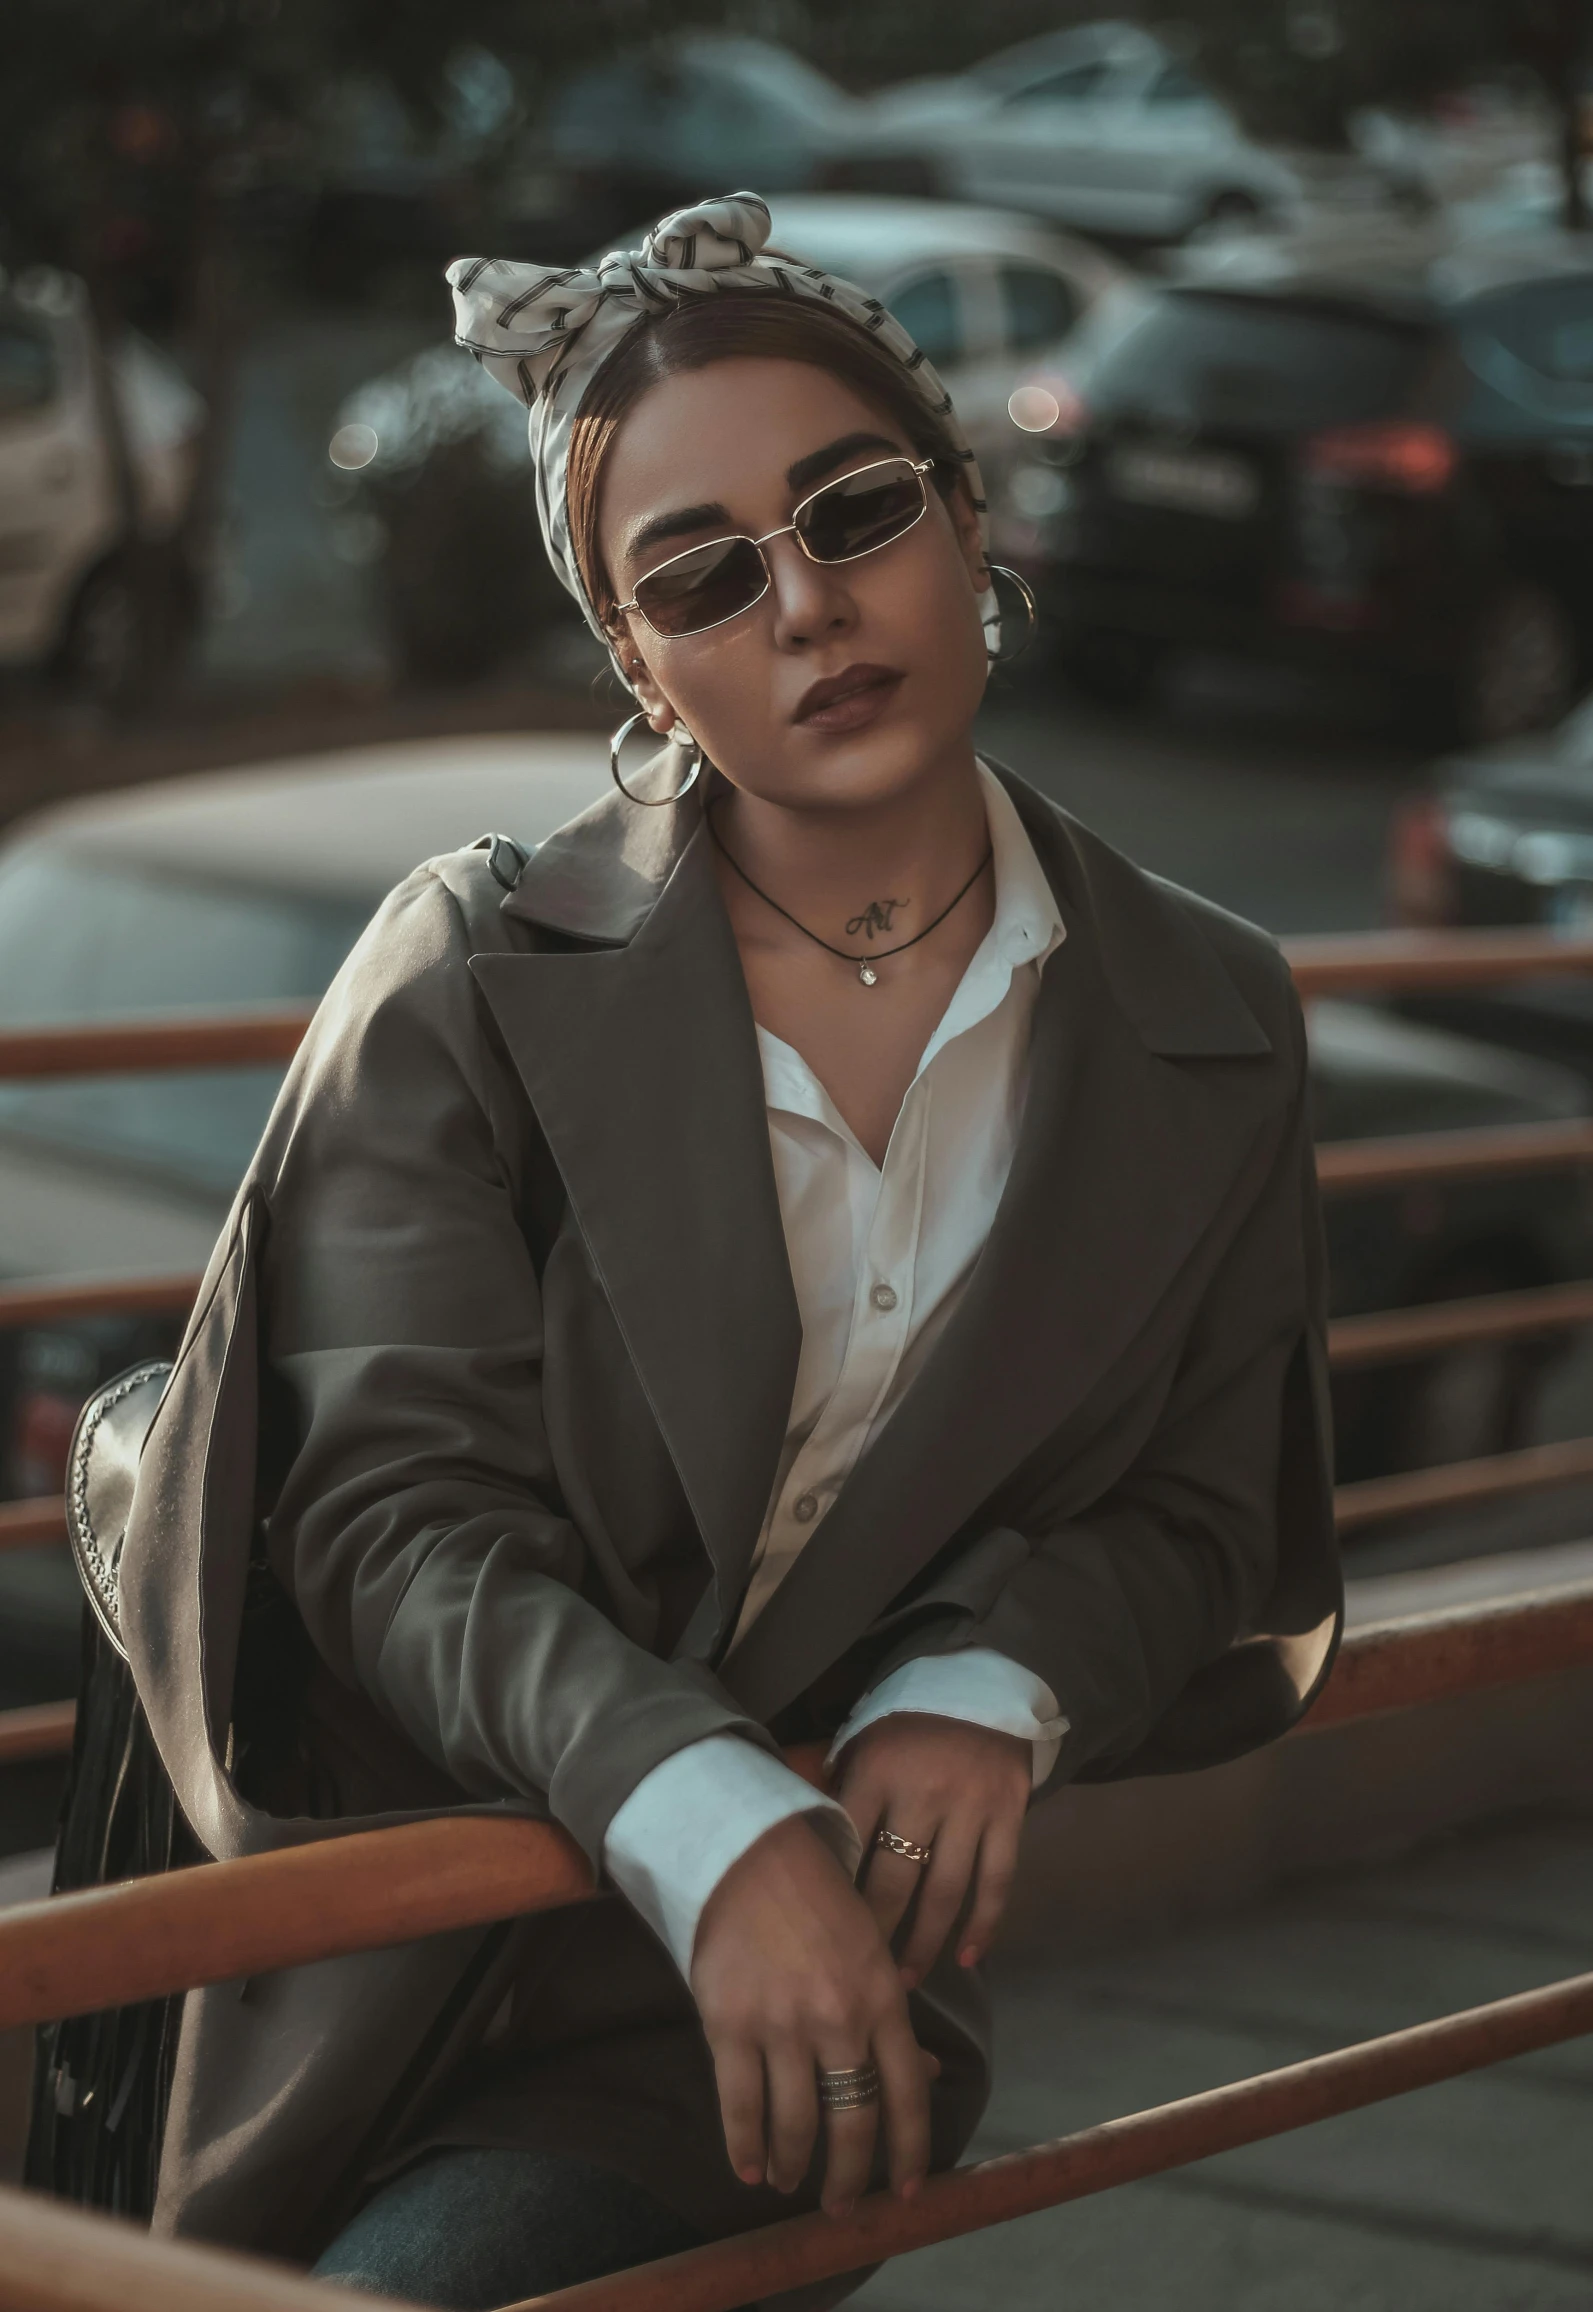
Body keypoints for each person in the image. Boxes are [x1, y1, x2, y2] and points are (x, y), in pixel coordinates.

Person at [99, 194, 1339, 2309]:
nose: (801, 605)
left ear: (969, 517)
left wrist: (994, 1677)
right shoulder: (472, 971)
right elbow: (392, 1519)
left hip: (757, 2028)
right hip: (364, 1946)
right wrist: (705, 1809)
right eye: (699, 573)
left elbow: (1206, 1504)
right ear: (635, 661)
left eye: (852, 512)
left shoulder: (1208, 1013)